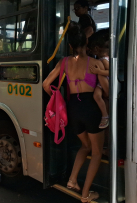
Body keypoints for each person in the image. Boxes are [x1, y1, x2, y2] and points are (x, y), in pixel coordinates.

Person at [42, 22, 106, 202]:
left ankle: (72, 180)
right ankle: (85, 195)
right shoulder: (95, 63)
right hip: (90, 108)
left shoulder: (64, 62)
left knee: (84, 146)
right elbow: (107, 90)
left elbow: (46, 84)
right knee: (97, 152)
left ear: (70, 45)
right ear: (87, 44)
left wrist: (58, 99)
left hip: (72, 109)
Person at [89, 29, 110, 128]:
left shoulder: (104, 60)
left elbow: (111, 72)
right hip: (101, 83)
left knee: (96, 96)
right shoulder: (101, 59)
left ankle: (105, 116)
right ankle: (105, 115)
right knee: (97, 97)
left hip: (104, 82)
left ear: (96, 49)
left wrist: (99, 72)